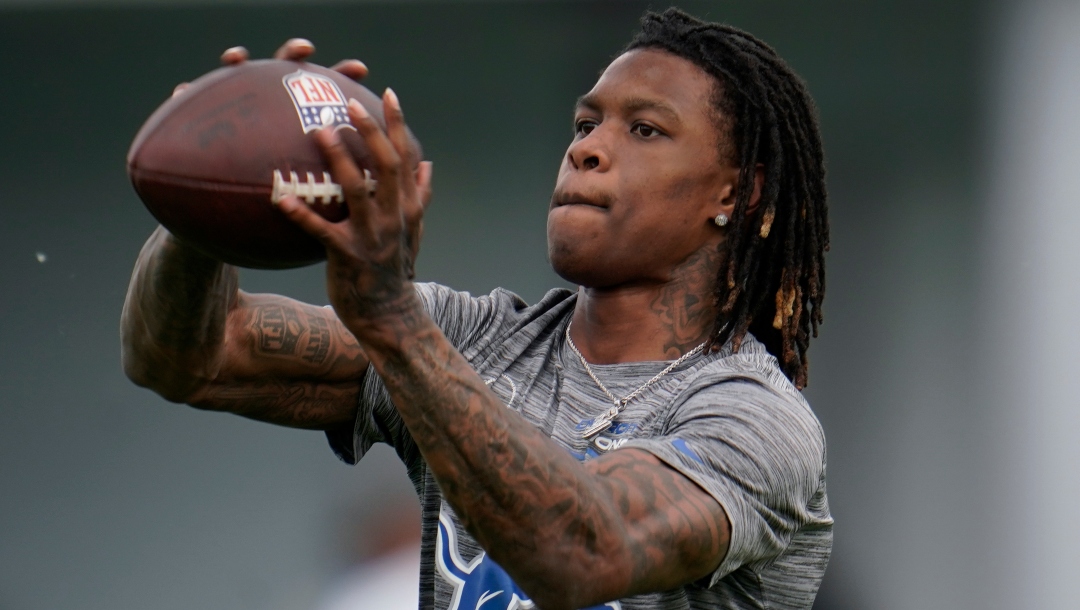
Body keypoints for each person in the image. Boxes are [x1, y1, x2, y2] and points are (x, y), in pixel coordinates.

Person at [121, 8, 831, 610]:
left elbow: (581, 553)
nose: (588, 149)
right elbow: (191, 356)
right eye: (585, 123)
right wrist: (204, 204)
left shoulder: (754, 420)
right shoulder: (474, 340)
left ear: (737, 193)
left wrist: (395, 327)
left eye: (644, 129)